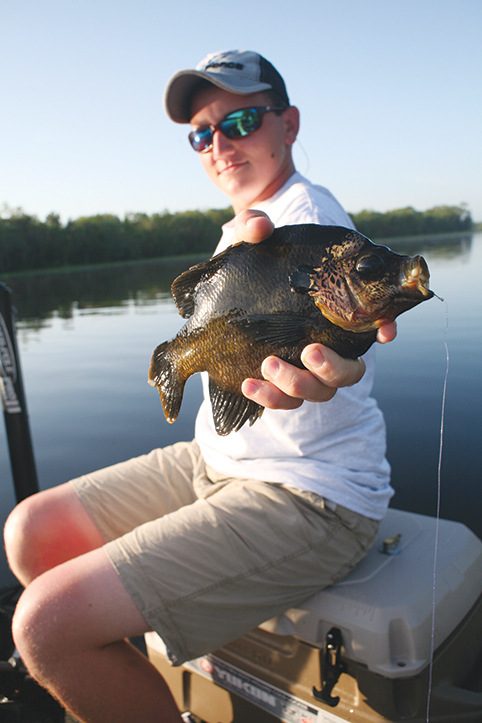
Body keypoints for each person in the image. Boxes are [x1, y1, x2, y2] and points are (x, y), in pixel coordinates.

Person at [4, 50, 396, 723]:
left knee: (43, 626)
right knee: (31, 531)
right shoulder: (240, 232)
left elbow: (337, 349)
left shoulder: (306, 224)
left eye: (241, 119)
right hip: (219, 463)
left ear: (289, 123)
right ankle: (123, 675)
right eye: (201, 132)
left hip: (310, 494)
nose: (220, 143)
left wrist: (338, 359)